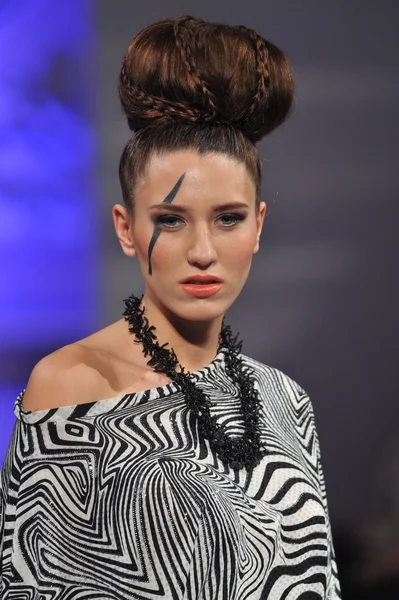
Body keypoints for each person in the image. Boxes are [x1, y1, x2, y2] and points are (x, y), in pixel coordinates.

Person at [0, 15, 341, 599]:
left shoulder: (288, 402)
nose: (203, 252)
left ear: (258, 227)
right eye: (171, 220)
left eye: (229, 218)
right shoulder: (72, 386)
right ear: (126, 228)